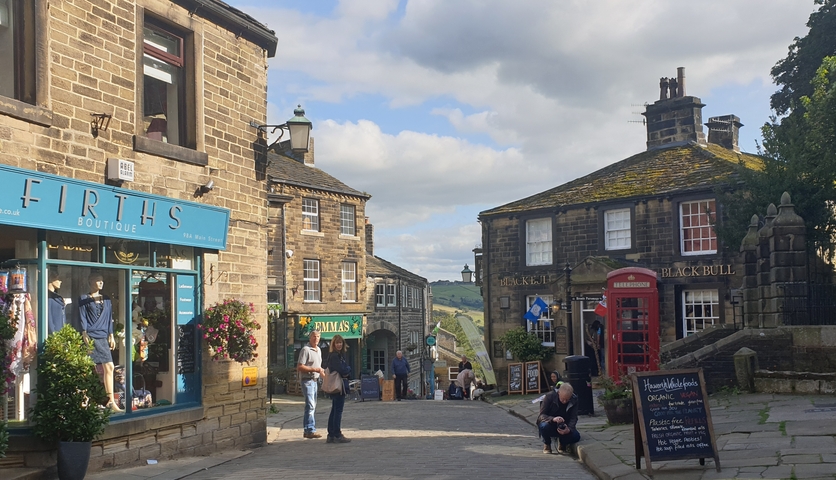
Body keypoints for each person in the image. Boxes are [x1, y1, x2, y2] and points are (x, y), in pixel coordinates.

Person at [78, 273, 121, 412]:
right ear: (90, 282)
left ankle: (111, 401)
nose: (101, 283)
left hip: (103, 335)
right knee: (88, 369)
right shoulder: (84, 299)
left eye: (102, 281)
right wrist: (84, 332)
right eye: (98, 280)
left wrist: (111, 335)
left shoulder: (106, 299)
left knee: (109, 367)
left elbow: (109, 317)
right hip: (91, 335)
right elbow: (82, 316)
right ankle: (84, 401)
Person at [537, 383, 581, 454]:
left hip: (565, 424)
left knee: (576, 436)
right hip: (550, 423)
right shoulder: (549, 396)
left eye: (567, 400)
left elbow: (574, 417)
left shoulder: (574, 399)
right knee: (543, 426)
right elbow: (541, 416)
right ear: (558, 393)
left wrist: (569, 429)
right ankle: (547, 444)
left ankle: (562, 444)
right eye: (562, 399)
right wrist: (553, 419)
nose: (564, 401)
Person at [297, 329, 325, 438]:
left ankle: (308, 430)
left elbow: (318, 367)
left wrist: (322, 373)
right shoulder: (306, 350)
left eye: (318, 336)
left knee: (312, 406)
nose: (316, 338)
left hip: (315, 381)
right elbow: (300, 366)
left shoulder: (318, 350)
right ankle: (310, 430)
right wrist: (315, 369)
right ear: (310, 338)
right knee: (310, 405)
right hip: (307, 380)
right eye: (314, 336)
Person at [325, 334, 351, 443]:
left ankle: (331, 434)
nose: (339, 345)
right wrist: (347, 369)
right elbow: (342, 370)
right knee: (338, 410)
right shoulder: (335, 356)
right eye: (337, 343)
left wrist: (346, 369)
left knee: (334, 409)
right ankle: (336, 434)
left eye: (340, 343)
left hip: (338, 385)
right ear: (333, 344)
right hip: (337, 385)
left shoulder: (339, 355)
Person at [47, 270, 67, 336]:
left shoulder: (57, 297)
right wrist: (53, 333)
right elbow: (48, 317)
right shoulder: (48, 297)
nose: (60, 282)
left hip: (61, 331)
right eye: (58, 279)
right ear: (51, 279)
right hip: (54, 333)